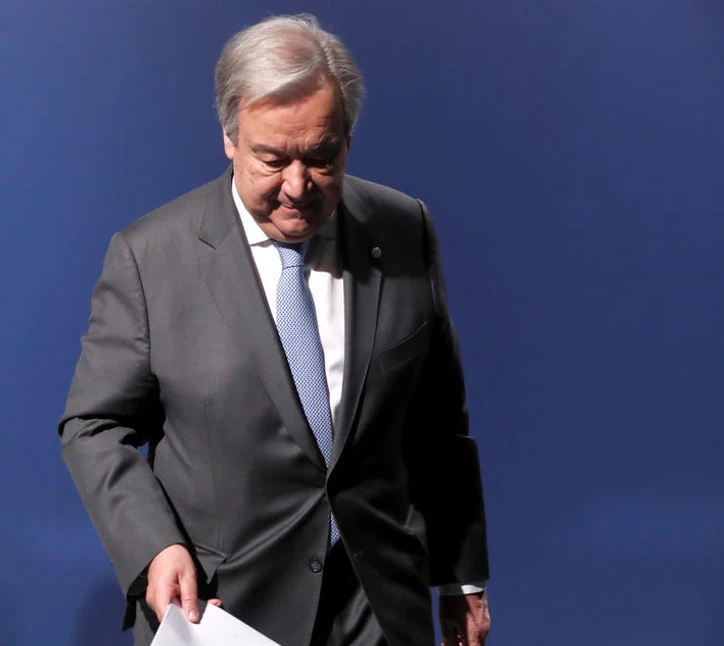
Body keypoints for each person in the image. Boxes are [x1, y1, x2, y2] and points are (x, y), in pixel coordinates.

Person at [59, 14, 490, 646]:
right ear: (229, 139)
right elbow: (95, 425)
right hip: (222, 611)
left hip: (379, 610)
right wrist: (153, 547)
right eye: (272, 159)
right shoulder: (149, 258)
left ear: (348, 141)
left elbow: (438, 424)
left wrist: (459, 577)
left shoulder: (404, 230)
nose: (297, 187)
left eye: (321, 157)